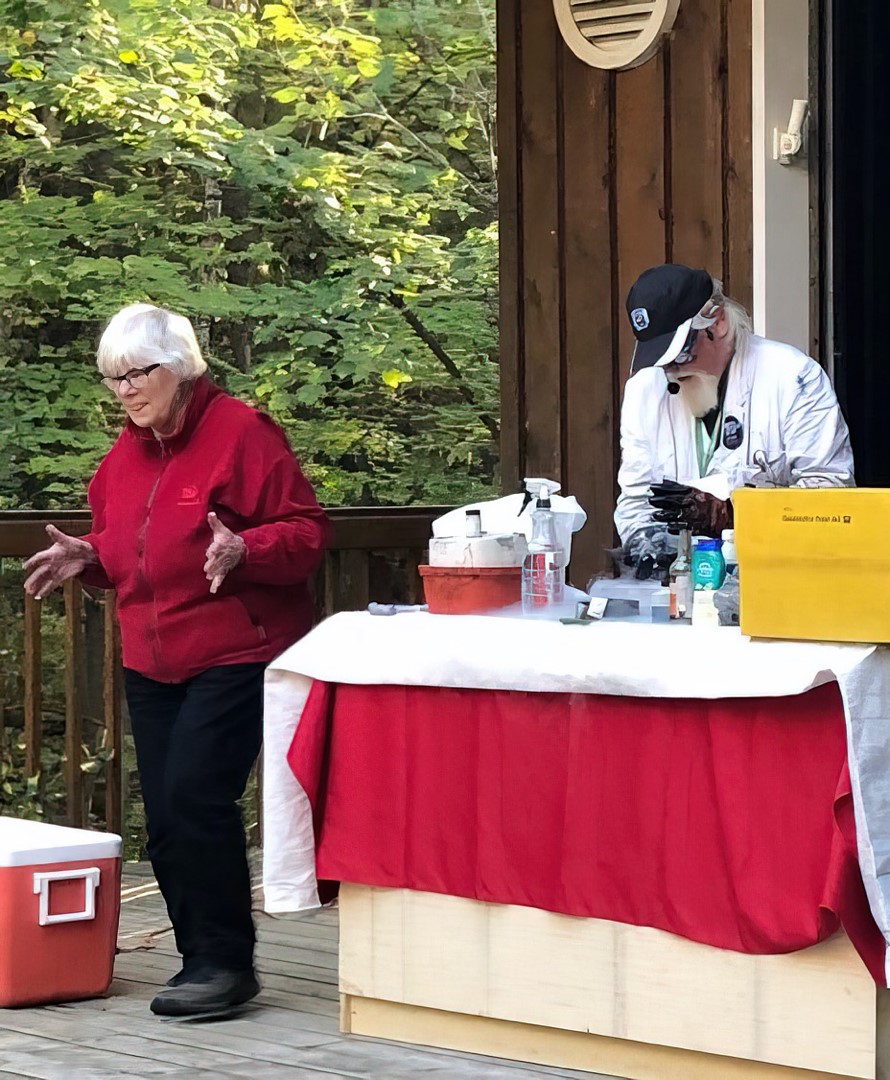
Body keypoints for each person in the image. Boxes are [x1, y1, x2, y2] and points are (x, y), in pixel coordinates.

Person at [23, 304, 330, 1018]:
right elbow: (129, 545)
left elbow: (308, 533)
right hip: (151, 658)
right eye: (112, 379)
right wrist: (89, 557)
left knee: (196, 794)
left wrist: (246, 549)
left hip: (238, 648)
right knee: (164, 814)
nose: (125, 390)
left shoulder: (241, 434)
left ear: (181, 367)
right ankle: (201, 961)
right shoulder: (123, 457)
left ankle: (225, 962)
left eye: (137, 374)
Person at [615, 264, 854, 554]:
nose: (672, 372)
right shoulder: (644, 389)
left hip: (775, 571)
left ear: (717, 323)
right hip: (677, 582)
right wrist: (647, 545)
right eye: (662, 362)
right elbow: (636, 500)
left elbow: (831, 499)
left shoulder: (793, 377)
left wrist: (739, 515)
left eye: (680, 354)